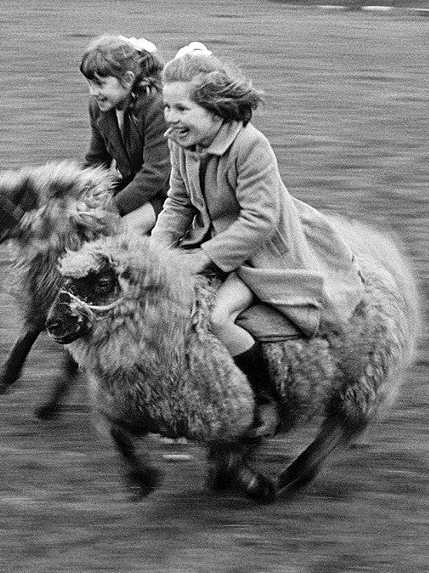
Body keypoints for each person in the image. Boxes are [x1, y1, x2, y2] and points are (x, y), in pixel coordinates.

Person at [151, 43, 364, 434]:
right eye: (167, 108)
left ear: (215, 109)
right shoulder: (180, 142)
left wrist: (204, 259)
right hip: (212, 240)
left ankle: (264, 400)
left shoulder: (251, 146)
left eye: (182, 109)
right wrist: (156, 249)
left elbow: (260, 221)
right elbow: (178, 202)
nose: (171, 118)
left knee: (216, 319)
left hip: (260, 255)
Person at [80, 34, 170, 234]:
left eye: (100, 84)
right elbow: (97, 160)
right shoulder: (99, 106)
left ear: (128, 79)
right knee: (80, 228)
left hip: (167, 195)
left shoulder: (156, 106)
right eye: (90, 84)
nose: (93, 92)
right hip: (134, 187)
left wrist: (111, 209)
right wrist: (77, 195)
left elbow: (155, 174)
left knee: (117, 236)